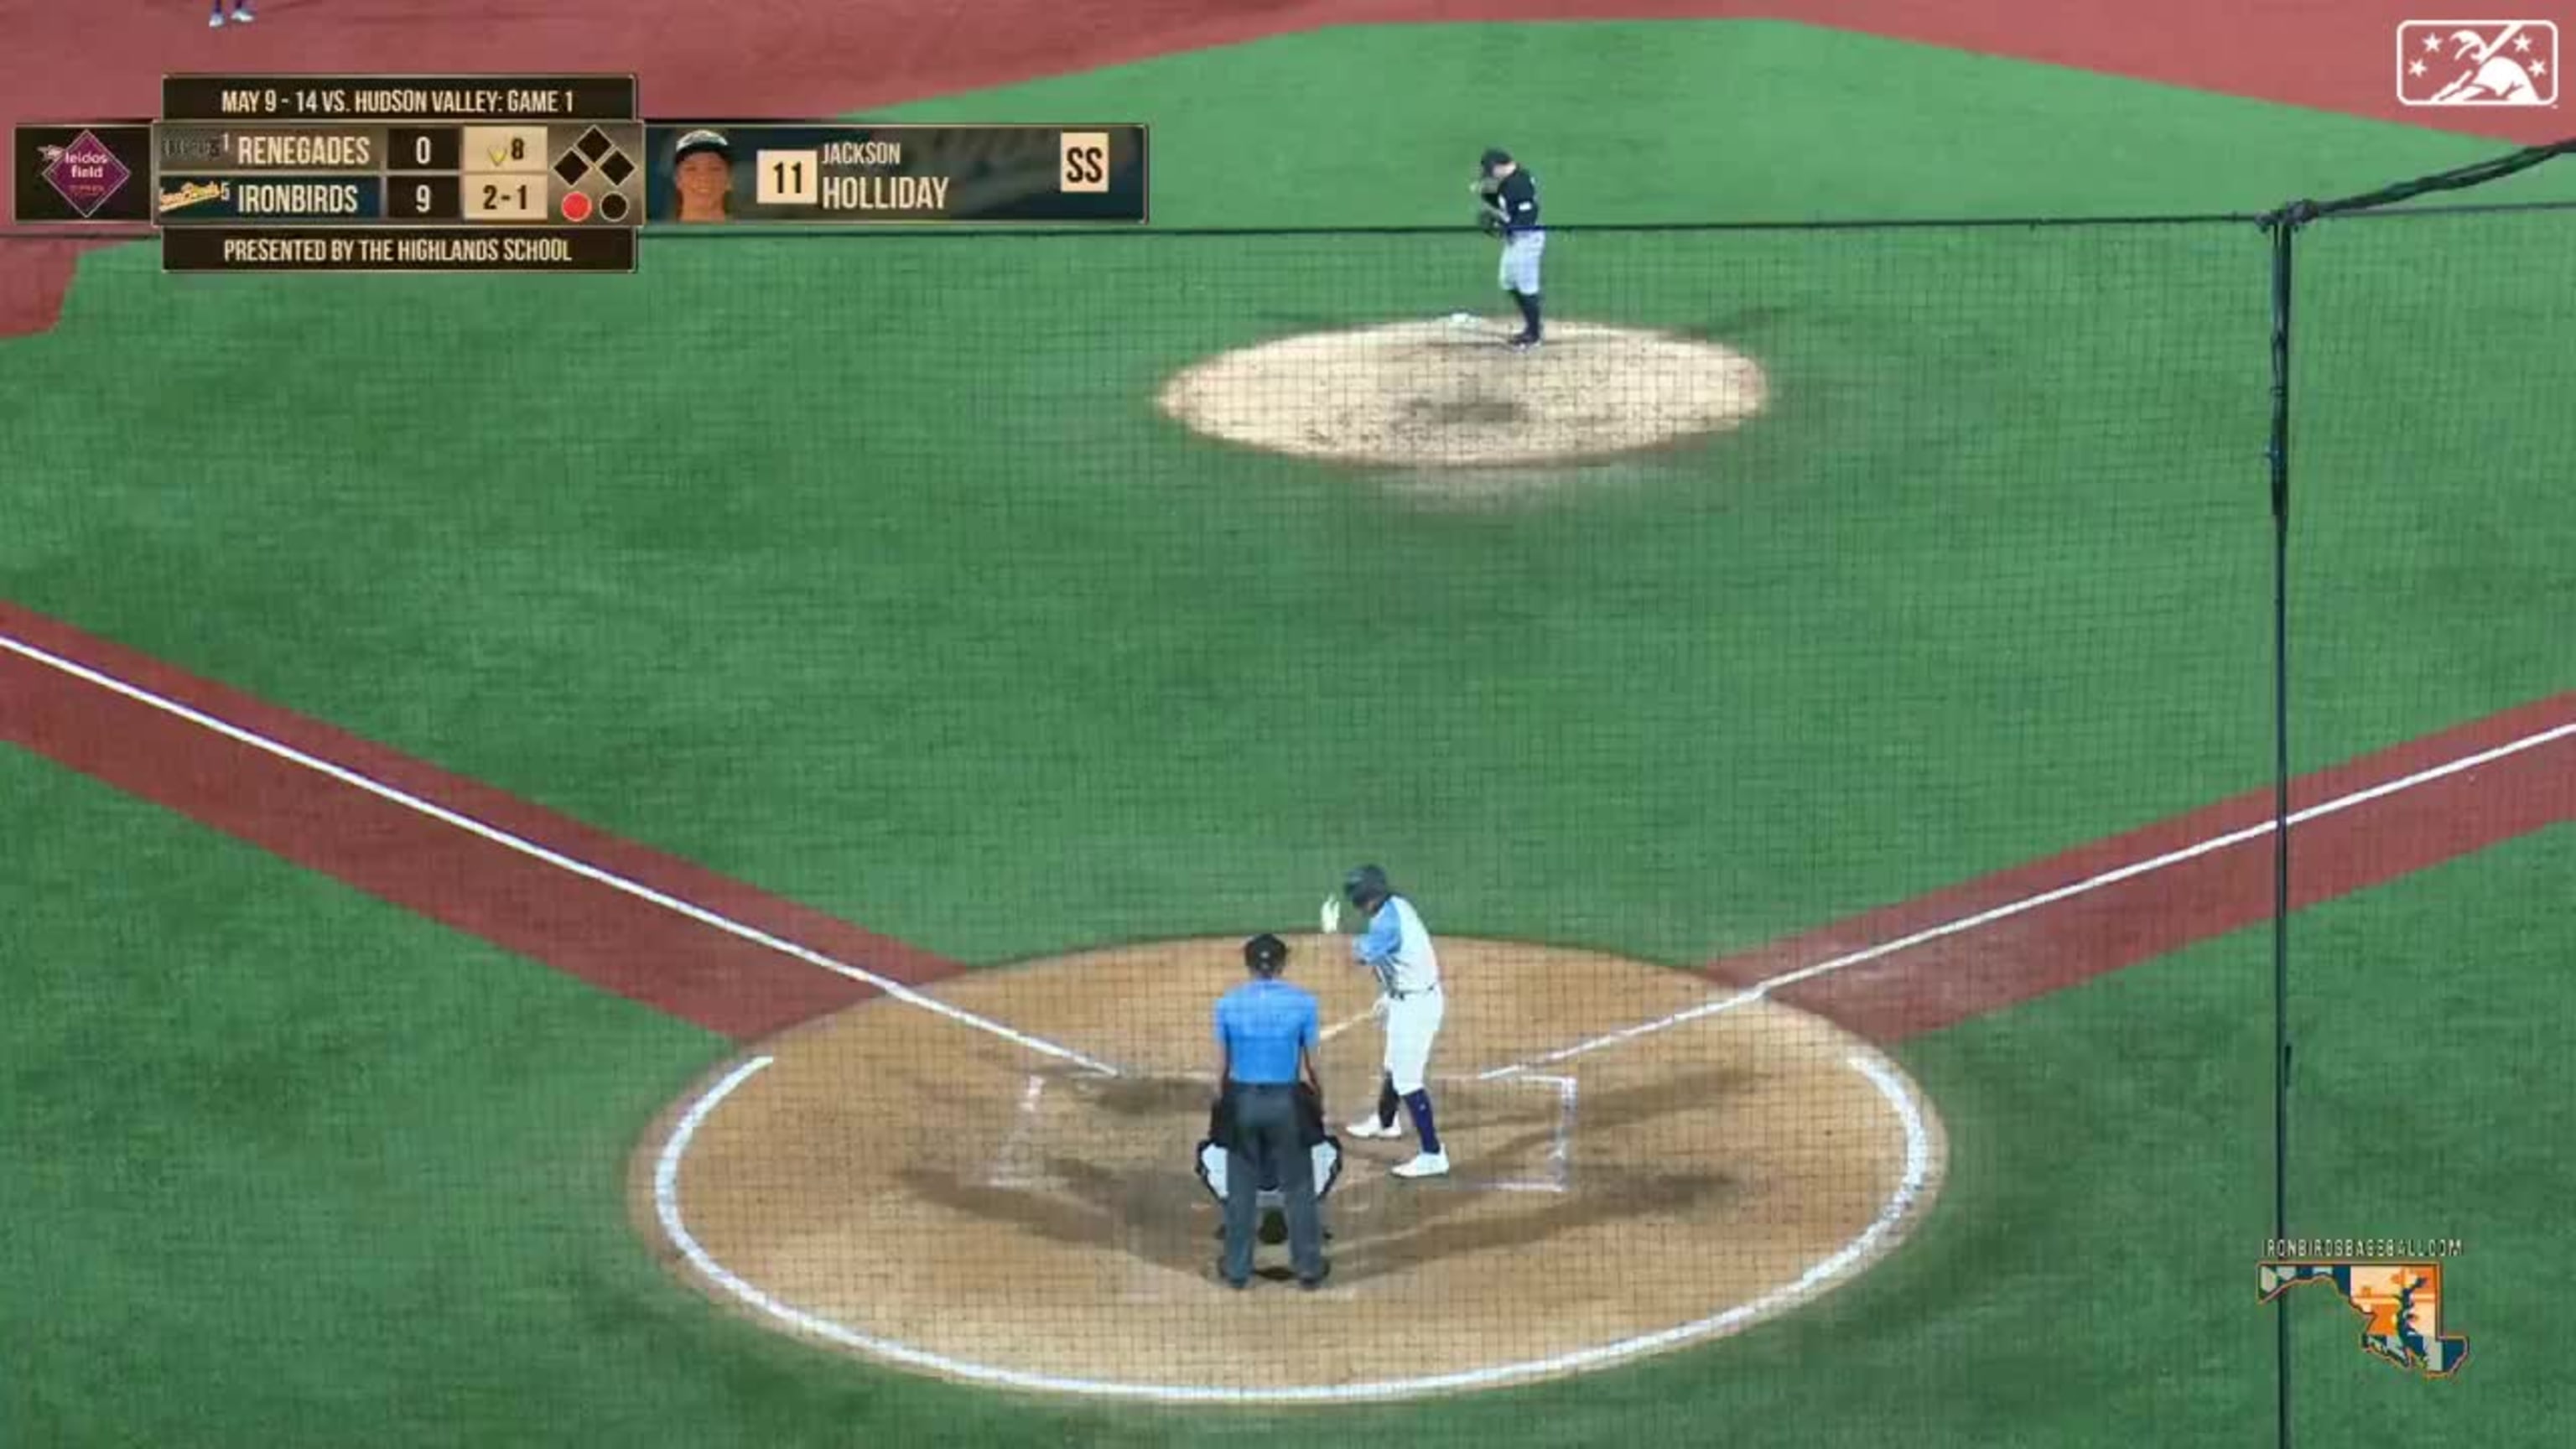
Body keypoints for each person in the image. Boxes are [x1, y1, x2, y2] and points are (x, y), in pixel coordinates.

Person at [1211, 932, 1329, 1290]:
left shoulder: (1227, 1004)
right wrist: (1319, 1101)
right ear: (1282, 964)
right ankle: (1308, 1269)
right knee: (1298, 1187)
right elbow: (1313, 1066)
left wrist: (1222, 1105)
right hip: (1287, 1103)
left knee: (1241, 1188)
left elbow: (1221, 1068)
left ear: (1248, 964)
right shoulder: (1304, 1003)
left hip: (1243, 1100)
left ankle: (1236, 1270)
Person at [1338, 865, 1450, 1178]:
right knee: (1392, 1063)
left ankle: (1433, 1154)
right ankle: (1387, 1122)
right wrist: (1390, 994)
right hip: (1405, 998)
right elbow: (1391, 959)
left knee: (1407, 1080)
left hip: (1419, 1006)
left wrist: (1332, 935)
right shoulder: (1396, 905)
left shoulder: (1387, 924)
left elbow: (1354, 961)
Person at [1471, 148, 1544, 351]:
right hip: (1515, 240)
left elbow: (1528, 215)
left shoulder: (1519, 184)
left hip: (1527, 240)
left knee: (1526, 285)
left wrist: (1505, 227)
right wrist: (1486, 195)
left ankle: (1535, 334)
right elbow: (1506, 204)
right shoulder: (1510, 181)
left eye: (1491, 171)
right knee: (1508, 280)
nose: (1490, 176)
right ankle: (1531, 326)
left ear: (1500, 166)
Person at [669, 130, 736, 224]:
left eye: (714, 168)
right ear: (677, 180)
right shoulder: (654, 236)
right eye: (691, 169)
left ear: (730, 180)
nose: (703, 177)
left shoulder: (747, 236)